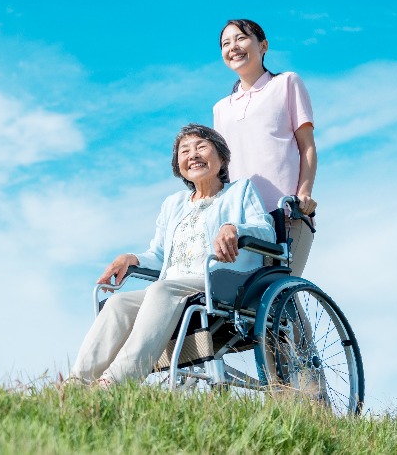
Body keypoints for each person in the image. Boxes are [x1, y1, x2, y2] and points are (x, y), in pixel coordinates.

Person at [69, 124, 275, 386]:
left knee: (161, 290)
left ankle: (116, 381)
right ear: (179, 166)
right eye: (184, 151)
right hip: (173, 288)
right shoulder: (173, 204)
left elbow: (266, 231)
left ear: (222, 158)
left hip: (221, 282)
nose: (193, 155)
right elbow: (159, 255)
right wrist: (131, 259)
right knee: (117, 305)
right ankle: (76, 383)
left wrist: (235, 228)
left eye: (201, 147)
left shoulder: (240, 191)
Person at [212, 19, 317, 275]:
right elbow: (220, 170)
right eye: (226, 43)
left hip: (286, 211)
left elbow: (307, 147)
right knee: (250, 305)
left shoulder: (287, 83)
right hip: (243, 218)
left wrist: (303, 194)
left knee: (280, 288)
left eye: (241, 38)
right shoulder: (221, 108)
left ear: (263, 46)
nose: (233, 47)